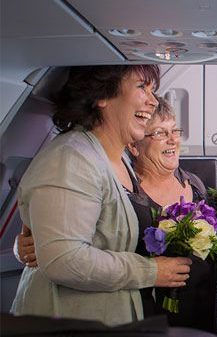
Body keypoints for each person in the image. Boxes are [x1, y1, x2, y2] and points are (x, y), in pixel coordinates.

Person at [10, 66, 192, 326]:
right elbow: (65, 260)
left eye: (153, 90)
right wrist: (150, 271)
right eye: (142, 87)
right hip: (66, 322)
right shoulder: (71, 159)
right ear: (102, 95)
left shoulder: (116, 160)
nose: (152, 101)